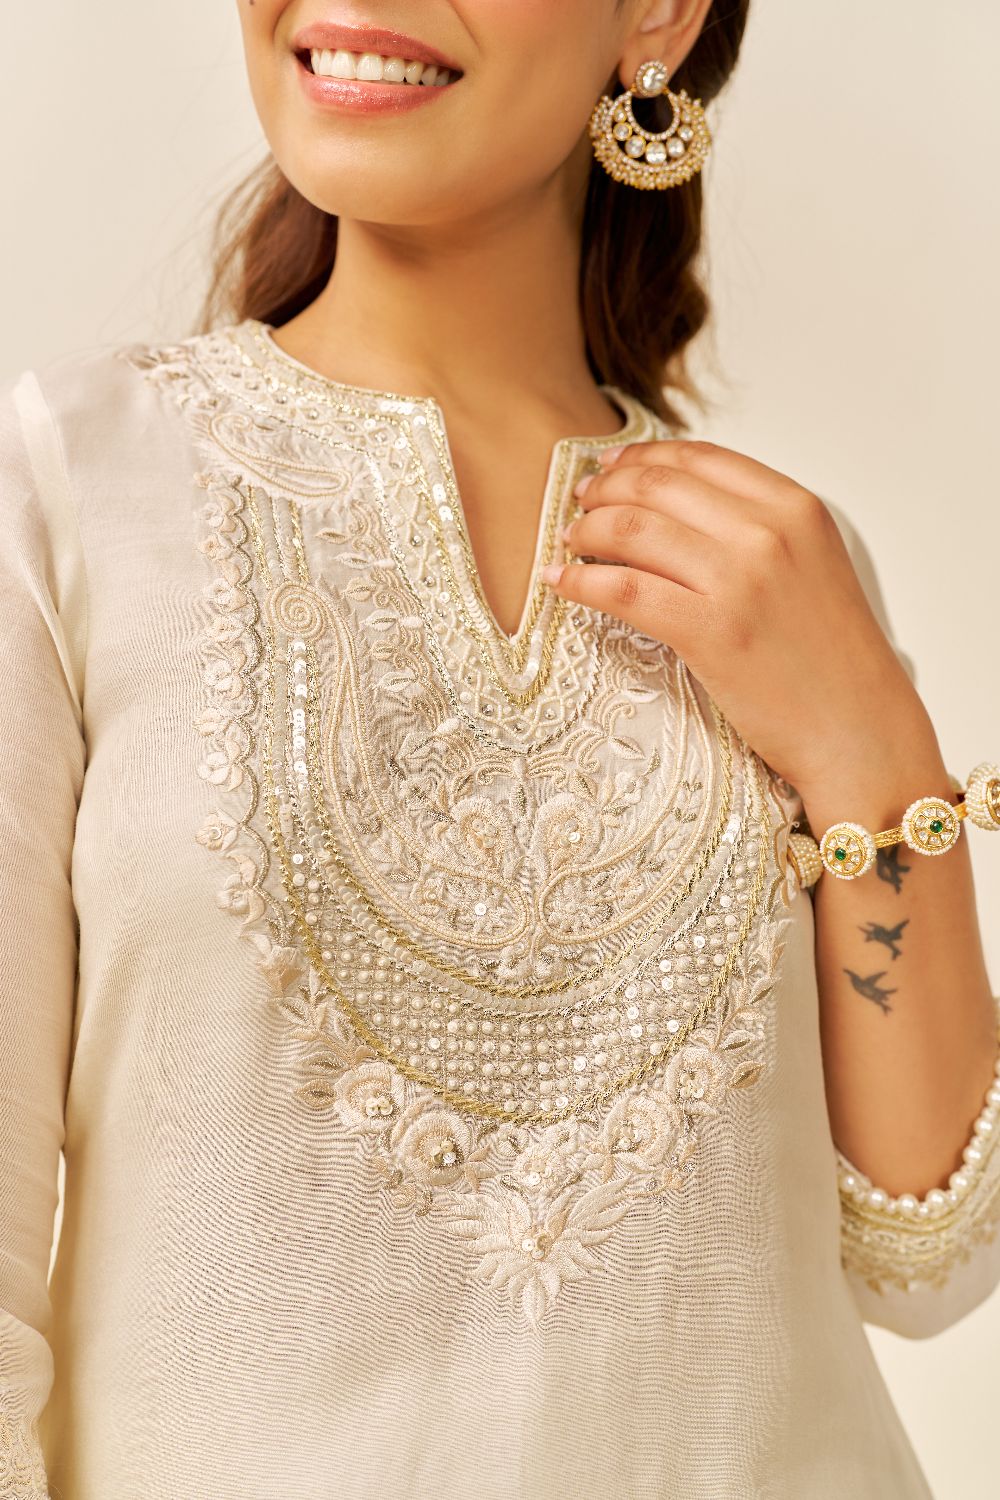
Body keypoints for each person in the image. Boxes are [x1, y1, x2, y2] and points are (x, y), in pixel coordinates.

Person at [2, 2, 999, 1495]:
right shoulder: (73, 485)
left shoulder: (783, 568)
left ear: (656, 14)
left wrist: (870, 742)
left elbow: (931, 1258)